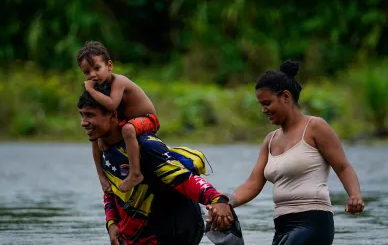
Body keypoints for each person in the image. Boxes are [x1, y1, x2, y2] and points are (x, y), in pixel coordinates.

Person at [207, 60, 365, 245]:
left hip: (313, 223)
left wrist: (354, 195)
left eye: (267, 103)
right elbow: (253, 184)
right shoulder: (270, 140)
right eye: (261, 104)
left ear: (286, 97)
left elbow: (343, 167)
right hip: (282, 227)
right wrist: (226, 202)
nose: (263, 110)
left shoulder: (315, 127)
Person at [78, 84, 234, 245]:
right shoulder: (103, 147)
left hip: (170, 233)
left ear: (112, 115)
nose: (83, 122)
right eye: (82, 115)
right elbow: (110, 191)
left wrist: (217, 200)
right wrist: (112, 224)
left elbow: (184, 179)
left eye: (90, 115)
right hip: (134, 236)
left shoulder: (146, 146)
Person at [77, 41, 159, 193]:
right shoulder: (101, 87)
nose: (92, 75)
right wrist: (101, 137)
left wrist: (91, 90)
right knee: (95, 135)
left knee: (128, 129)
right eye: (87, 73)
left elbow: (113, 104)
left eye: (97, 68)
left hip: (148, 120)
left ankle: (135, 173)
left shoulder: (118, 81)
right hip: (126, 121)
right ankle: (101, 176)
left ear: (109, 66)